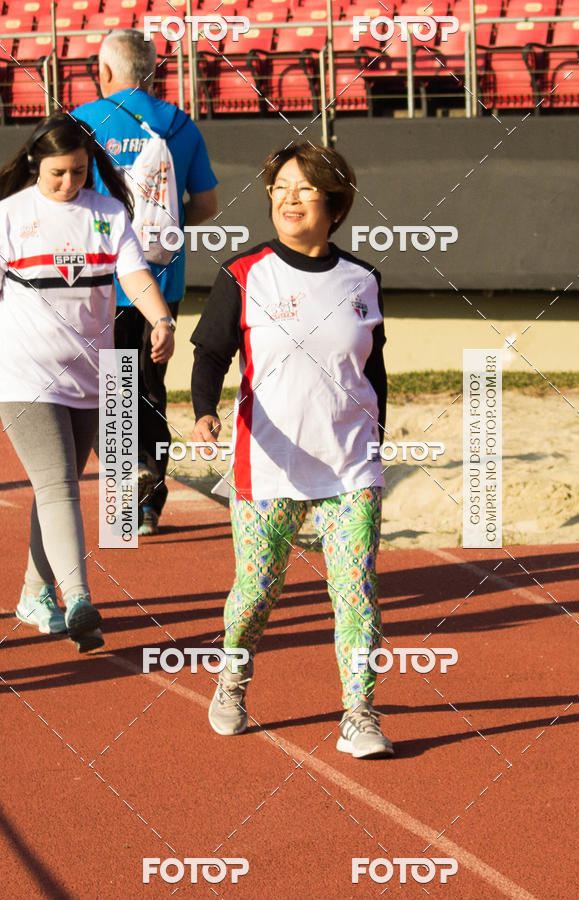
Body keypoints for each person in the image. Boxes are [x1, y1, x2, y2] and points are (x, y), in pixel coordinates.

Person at [190, 142, 393, 758]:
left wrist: (378, 431)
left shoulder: (362, 279)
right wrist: (204, 410)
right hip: (268, 465)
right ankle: (232, 678)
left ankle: (359, 712)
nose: (287, 198)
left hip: (351, 465)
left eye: (303, 188)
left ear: (334, 204)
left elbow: (373, 366)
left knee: (356, 591)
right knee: (256, 592)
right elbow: (211, 354)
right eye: (279, 187)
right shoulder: (245, 273)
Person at [0, 113, 174, 651]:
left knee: (58, 488)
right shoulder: (8, 215)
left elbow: (133, 274)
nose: (68, 183)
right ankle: (79, 599)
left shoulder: (108, 213)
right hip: (24, 374)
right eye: (57, 174)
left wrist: (161, 319)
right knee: (59, 486)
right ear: (35, 164)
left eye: (78, 172)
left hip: (92, 376)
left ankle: (34, 593)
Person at [74, 28, 218, 536]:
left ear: (105, 71)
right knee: (151, 388)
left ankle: (120, 503)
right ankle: (150, 502)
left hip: (98, 279)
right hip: (162, 278)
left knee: (112, 390)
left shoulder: (82, 123)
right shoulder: (182, 125)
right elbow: (205, 206)